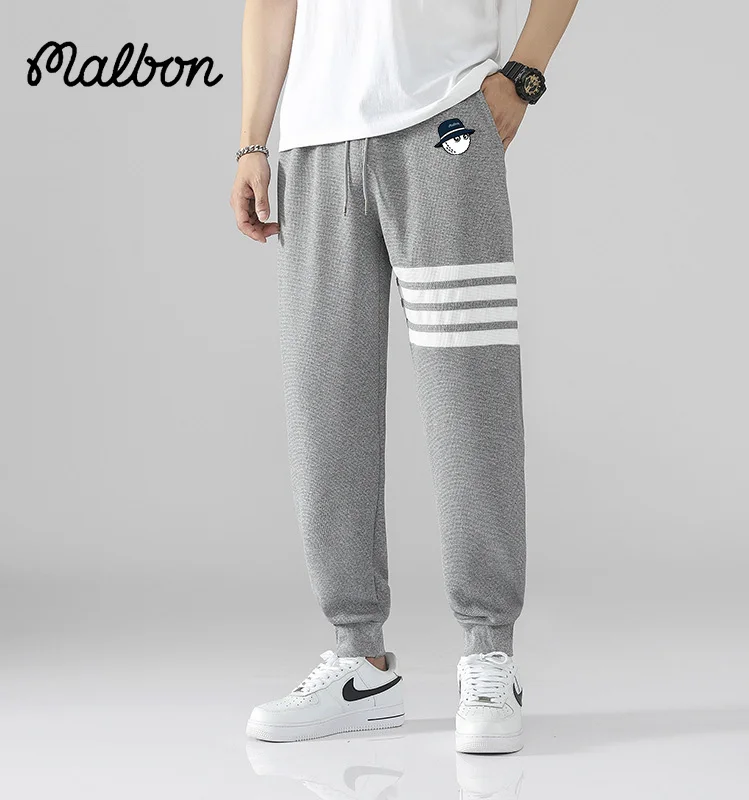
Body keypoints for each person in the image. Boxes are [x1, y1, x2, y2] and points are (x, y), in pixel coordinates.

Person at [231, 0, 579, 754]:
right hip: (314, 147)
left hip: (443, 123)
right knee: (325, 407)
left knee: (471, 400)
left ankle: (490, 652)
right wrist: (253, 140)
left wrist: (523, 77)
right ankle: (359, 661)